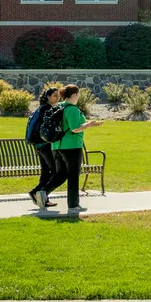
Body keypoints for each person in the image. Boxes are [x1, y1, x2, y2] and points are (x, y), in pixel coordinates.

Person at [39, 84, 103, 213]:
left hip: (56, 146)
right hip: (72, 146)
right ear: (74, 95)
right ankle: (73, 204)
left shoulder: (57, 107)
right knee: (73, 175)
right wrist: (89, 124)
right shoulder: (72, 109)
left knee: (61, 173)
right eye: (78, 95)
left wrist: (86, 124)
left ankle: (43, 191)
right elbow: (75, 128)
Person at [27, 87, 60, 209]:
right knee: (55, 170)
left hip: (38, 145)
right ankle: (37, 192)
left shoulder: (40, 108)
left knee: (46, 171)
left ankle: (43, 198)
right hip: (44, 145)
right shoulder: (48, 109)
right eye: (55, 95)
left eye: (58, 95)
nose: (57, 98)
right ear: (48, 97)